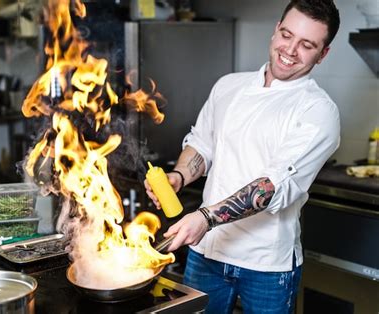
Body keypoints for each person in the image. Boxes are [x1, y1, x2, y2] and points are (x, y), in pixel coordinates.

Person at [144, 0, 341, 313]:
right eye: (287, 35)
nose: (290, 50)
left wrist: (206, 217)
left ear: (323, 53)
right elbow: (202, 145)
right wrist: (179, 176)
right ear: (276, 30)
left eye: (306, 45)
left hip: (266, 265)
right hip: (207, 252)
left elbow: (270, 187)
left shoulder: (318, 110)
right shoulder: (229, 85)